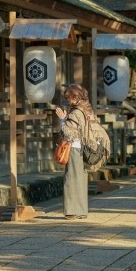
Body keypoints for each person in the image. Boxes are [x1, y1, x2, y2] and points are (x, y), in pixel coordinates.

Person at [53, 83, 94, 219]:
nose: (68, 100)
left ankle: (71, 211)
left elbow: (69, 133)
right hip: (84, 148)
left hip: (74, 148)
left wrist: (62, 121)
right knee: (81, 179)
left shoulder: (76, 112)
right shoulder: (86, 110)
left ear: (75, 97)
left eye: (69, 97)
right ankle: (81, 210)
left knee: (71, 178)